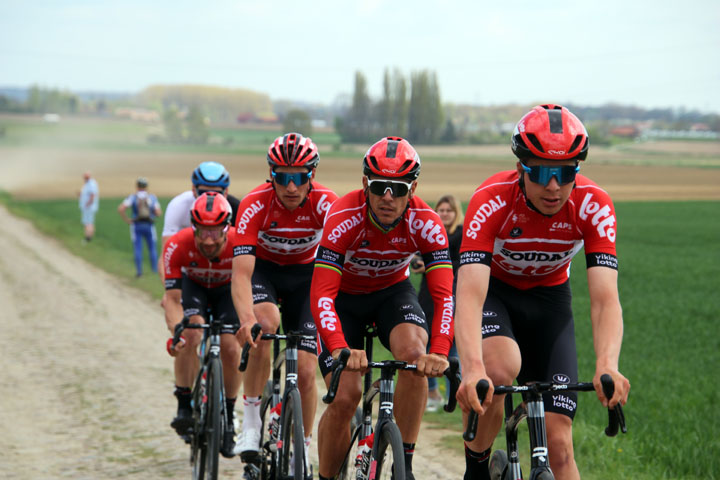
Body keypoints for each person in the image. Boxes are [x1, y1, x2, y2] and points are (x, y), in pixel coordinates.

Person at [454, 104, 631, 480]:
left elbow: (604, 300)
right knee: (499, 368)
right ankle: (476, 471)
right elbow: (469, 294)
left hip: (551, 303)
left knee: (560, 445)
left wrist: (607, 364)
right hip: (496, 296)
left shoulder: (594, 204)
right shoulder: (491, 200)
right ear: (521, 169)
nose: (554, 186)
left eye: (565, 173)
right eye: (542, 173)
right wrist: (472, 370)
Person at [310, 137, 455, 480]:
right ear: (365, 184)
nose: (388, 197)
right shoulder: (343, 215)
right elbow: (321, 294)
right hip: (343, 299)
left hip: (392, 293)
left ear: (413, 188)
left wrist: (440, 350)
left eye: (398, 188)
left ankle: (403, 465)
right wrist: (339, 346)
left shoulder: (427, 221)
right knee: (346, 397)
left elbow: (445, 296)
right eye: (379, 187)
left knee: (415, 358)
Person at [231, 133, 338, 470]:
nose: (291, 186)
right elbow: (241, 275)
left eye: (300, 177)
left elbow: (343, 264)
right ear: (271, 175)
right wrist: (246, 318)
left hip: (307, 277)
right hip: (265, 272)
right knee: (263, 326)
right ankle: (250, 421)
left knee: (306, 371)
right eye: (282, 177)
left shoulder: (327, 203)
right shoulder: (255, 203)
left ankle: (301, 452)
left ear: (312, 177)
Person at [162, 192, 242, 458]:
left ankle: (228, 417)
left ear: (226, 228)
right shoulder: (178, 244)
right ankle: (184, 403)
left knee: (231, 349)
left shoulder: (239, 243)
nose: (209, 240)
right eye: (203, 232)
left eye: (215, 232)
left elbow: (248, 288)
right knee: (191, 334)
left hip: (227, 292)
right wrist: (177, 333)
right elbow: (172, 299)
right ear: (193, 227)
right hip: (194, 288)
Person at [411, 194, 464, 412]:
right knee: (425, 343)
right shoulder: (430, 233)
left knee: (451, 348)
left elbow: (462, 262)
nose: (444, 214)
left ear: (456, 213)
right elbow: (413, 254)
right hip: (427, 295)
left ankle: (455, 396)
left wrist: (433, 265)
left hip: (453, 293)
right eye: (440, 211)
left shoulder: (461, 235)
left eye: (448, 211)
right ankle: (432, 392)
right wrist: (417, 262)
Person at [159, 161, 241, 277]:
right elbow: (166, 254)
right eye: (203, 192)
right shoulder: (178, 206)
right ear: (193, 189)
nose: (209, 197)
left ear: (226, 192)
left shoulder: (237, 209)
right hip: (189, 267)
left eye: (216, 192)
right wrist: (170, 291)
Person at [117, 177, 162, 277]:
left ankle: (139, 272)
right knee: (152, 248)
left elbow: (121, 208)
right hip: (149, 225)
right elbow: (158, 212)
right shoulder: (152, 197)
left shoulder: (133, 197)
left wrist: (127, 219)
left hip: (136, 225)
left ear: (137, 186)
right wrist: (152, 215)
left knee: (137, 248)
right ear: (146, 186)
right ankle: (154, 271)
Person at [78, 171, 99, 244]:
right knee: (87, 222)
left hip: (89, 207)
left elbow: (92, 195)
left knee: (89, 222)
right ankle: (88, 237)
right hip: (86, 207)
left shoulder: (91, 184)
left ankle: (88, 238)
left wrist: (88, 203)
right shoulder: (87, 184)